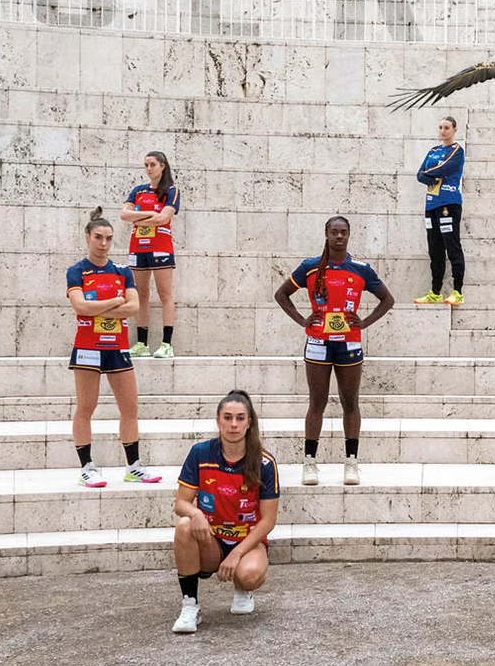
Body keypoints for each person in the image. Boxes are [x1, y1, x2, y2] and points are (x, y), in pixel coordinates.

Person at [273, 216, 394, 488]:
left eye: (344, 233)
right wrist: (303, 320)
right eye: (334, 232)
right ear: (326, 234)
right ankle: (309, 462)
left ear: (349, 235)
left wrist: (364, 322)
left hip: (349, 344)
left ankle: (351, 462)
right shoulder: (311, 267)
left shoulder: (361, 269)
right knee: (317, 401)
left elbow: (388, 299)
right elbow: (281, 295)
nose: (339, 237)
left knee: (350, 401)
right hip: (318, 343)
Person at [66, 208, 163, 489]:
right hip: (87, 348)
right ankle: (87, 467)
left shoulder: (122, 272)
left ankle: (134, 466)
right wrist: (114, 303)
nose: (104, 243)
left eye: (109, 238)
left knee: (130, 407)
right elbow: (80, 306)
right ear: (88, 237)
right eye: (98, 237)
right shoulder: (77, 271)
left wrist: (101, 309)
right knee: (86, 407)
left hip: (118, 348)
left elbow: (133, 308)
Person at [171, 390, 279, 634]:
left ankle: (243, 589)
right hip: (212, 539)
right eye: (227, 417)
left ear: (250, 422)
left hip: (248, 542)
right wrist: (196, 514)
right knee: (184, 526)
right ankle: (190, 605)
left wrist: (237, 554)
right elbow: (181, 503)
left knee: (249, 575)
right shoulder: (200, 453)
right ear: (218, 420)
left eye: (240, 418)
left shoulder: (264, 463)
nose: (233, 424)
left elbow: (269, 520)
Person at [120, 150, 181, 358]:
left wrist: (139, 218)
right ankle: (142, 343)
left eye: (152, 164)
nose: (148, 169)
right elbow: (124, 214)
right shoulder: (138, 190)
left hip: (161, 247)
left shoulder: (171, 191)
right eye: (146, 165)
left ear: (162, 166)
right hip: (138, 247)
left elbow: (163, 218)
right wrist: (149, 215)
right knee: (141, 294)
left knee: (165, 294)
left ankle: (166, 343)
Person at [413, 115, 467, 306]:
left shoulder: (457, 150)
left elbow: (446, 168)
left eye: (446, 128)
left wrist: (429, 174)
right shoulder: (433, 150)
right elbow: (420, 174)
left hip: (449, 203)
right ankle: (435, 292)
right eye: (440, 127)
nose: (443, 131)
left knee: (452, 246)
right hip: (431, 204)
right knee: (434, 249)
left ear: (454, 130)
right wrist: (429, 176)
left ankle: (457, 291)